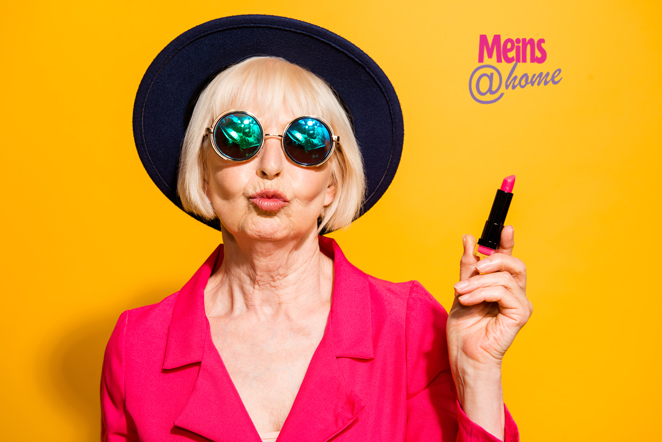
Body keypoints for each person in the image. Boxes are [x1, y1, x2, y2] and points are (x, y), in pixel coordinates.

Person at [102, 16, 531, 442]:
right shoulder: (136, 346)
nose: (271, 166)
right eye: (238, 137)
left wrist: (477, 374)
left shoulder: (408, 327)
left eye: (306, 141)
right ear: (203, 173)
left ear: (333, 183)